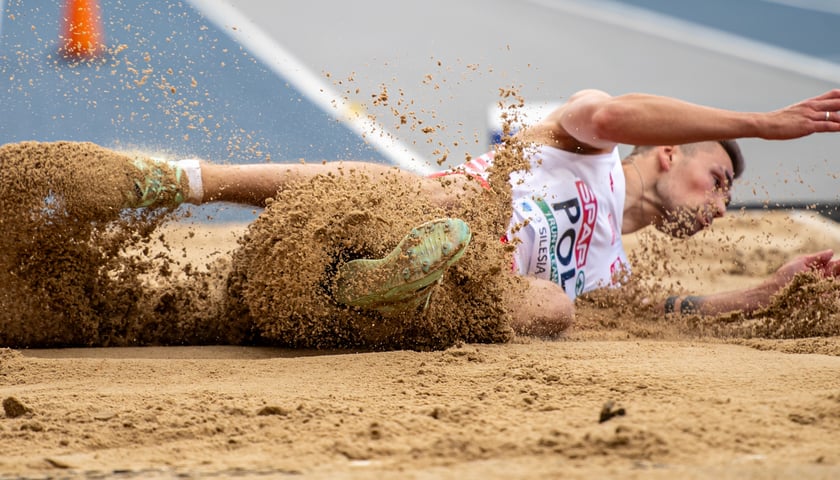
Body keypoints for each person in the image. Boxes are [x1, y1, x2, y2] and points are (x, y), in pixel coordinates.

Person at [127, 88, 840, 337]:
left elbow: (661, 313)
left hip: (430, 288)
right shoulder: (588, 145)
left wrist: (769, 291)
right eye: (717, 179)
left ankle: (375, 290)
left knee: (556, 311)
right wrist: (761, 124)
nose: (721, 205)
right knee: (446, 198)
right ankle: (183, 179)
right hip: (379, 215)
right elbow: (615, 110)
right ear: (667, 153)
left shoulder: (609, 268)